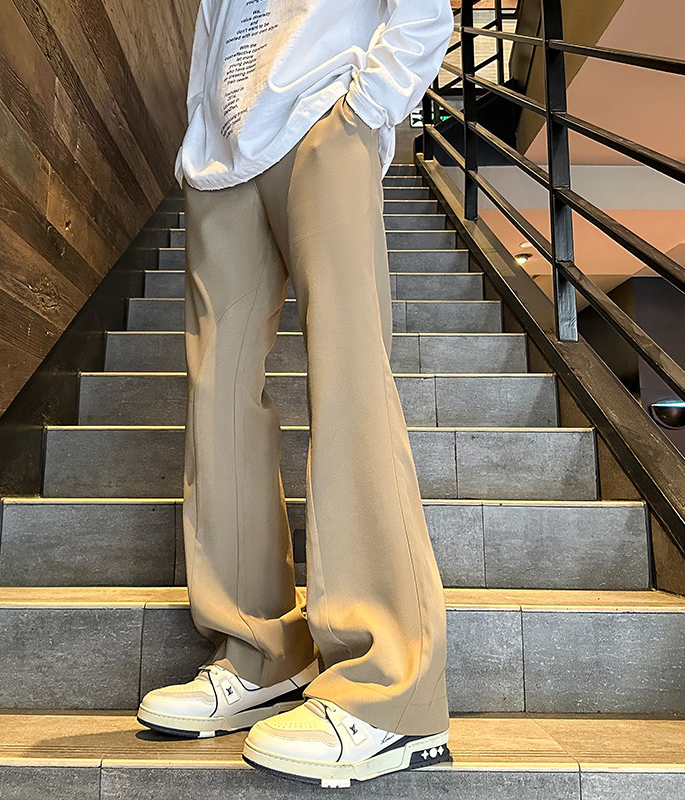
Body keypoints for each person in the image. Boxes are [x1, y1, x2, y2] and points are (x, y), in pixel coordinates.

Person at [137, 0, 455, 788]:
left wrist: (367, 107)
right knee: (217, 399)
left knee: (350, 378)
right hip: (223, 160)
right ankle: (261, 651)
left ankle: (390, 689)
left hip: (325, 113)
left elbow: (422, 12)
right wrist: (200, 139)